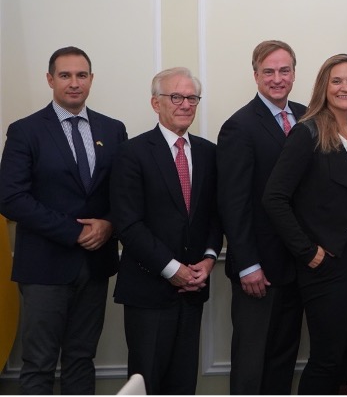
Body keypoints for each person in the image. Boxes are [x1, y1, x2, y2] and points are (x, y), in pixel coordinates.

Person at [0, 47, 127, 394]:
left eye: (81, 75)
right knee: (39, 363)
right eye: (65, 75)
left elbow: (125, 194)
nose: (74, 83)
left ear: (91, 79)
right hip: (44, 266)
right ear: (50, 79)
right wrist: (74, 232)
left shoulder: (113, 130)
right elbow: (11, 198)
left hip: (96, 263)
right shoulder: (26, 131)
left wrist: (108, 224)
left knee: (81, 358)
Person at [262, 53, 347, 395]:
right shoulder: (307, 132)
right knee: (327, 357)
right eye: (337, 81)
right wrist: (307, 251)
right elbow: (274, 198)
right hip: (327, 259)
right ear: (323, 87)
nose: (345, 88)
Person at [110, 67, 222, 394]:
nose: (185, 104)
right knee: (148, 381)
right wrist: (172, 270)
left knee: (183, 384)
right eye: (176, 97)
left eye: (192, 97)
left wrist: (210, 258)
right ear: (155, 103)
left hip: (193, 291)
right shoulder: (132, 153)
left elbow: (216, 214)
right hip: (148, 291)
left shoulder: (208, 152)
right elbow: (128, 224)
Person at [217, 40, 307, 394]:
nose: (277, 78)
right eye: (268, 71)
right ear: (255, 75)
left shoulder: (309, 116)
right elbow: (233, 203)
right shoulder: (239, 126)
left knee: (284, 358)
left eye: (284, 71)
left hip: (298, 265)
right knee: (252, 361)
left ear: (294, 74)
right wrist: (247, 264)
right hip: (259, 270)